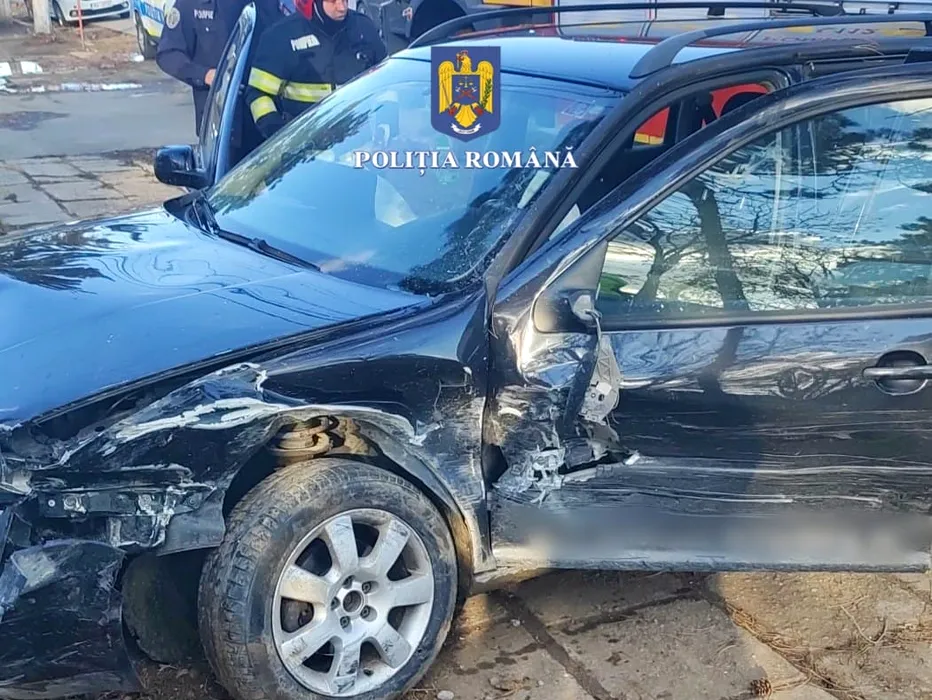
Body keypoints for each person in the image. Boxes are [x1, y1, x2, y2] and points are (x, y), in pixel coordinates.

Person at [243, 0, 387, 142]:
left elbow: (386, 82)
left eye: (345, 0)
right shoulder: (281, 36)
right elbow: (258, 94)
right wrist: (278, 135)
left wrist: (386, 127)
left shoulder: (364, 28)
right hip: (304, 144)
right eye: (332, 1)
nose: (342, 7)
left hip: (359, 138)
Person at [156, 0, 282, 136]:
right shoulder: (191, 4)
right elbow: (168, 54)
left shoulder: (267, 3)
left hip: (263, 122)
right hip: (218, 125)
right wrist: (205, 75)